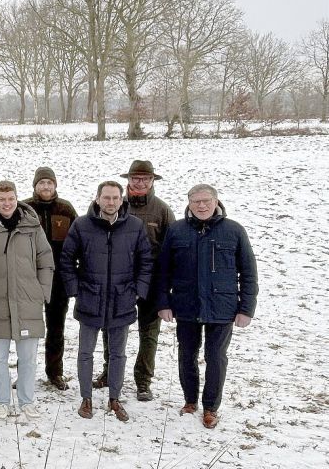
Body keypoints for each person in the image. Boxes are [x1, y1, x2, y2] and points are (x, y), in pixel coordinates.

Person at [156, 184, 258, 429]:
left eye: (206, 201)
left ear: (216, 201)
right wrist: (163, 303)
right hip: (186, 305)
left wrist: (246, 309)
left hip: (222, 307)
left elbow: (249, 273)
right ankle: (190, 400)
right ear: (189, 203)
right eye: (196, 201)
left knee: (215, 357)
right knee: (186, 355)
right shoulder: (176, 230)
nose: (201, 206)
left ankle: (210, 406)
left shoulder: (234, 230)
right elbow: (162, 271)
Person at [60, 181, 153, 422]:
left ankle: (114, 398)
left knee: (118, 354)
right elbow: (67, 259)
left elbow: (145, 261)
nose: (110, 202)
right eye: (106, 198)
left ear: (121, 200)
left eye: (115, 198)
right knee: (85, 352)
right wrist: (75, 290)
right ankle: (86, 398)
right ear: (98, 198)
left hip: (122, 298)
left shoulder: (134, 226)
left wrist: (137, 291)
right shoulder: (82, 225)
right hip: (90, 297)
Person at [0, 181, 54, 421]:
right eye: (2, 199)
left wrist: (41, 291)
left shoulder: (32, 227)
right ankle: (1, 402)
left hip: (28, 301)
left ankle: (27, 401)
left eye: (11, 199)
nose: (7, 203)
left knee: (27, 357)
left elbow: (45, 259)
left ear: (17, 199)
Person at [95, 160, 176, 402]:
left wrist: (167, 282)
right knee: (111, 329)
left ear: (152, 181)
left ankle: (143, 381)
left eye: (145, 179)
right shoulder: (116, 205)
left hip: (151, 283)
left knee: (148, 333)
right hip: (119, 281)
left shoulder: (162, 210)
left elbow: (172, 248)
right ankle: (109, 372)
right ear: (128, 180)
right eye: (135, 178)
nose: (140, 182)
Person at [23, 167, 78, 391]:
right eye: (41, 183)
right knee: (26, 329)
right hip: (29, 278)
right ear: (35, 186)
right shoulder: (25, 209)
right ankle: (25, 372)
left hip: (58, 279)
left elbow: (76, 243)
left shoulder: (66, 209)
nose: (45, 187)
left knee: (57, 328)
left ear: (55, 185)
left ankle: (55, 372)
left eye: (49, 183)